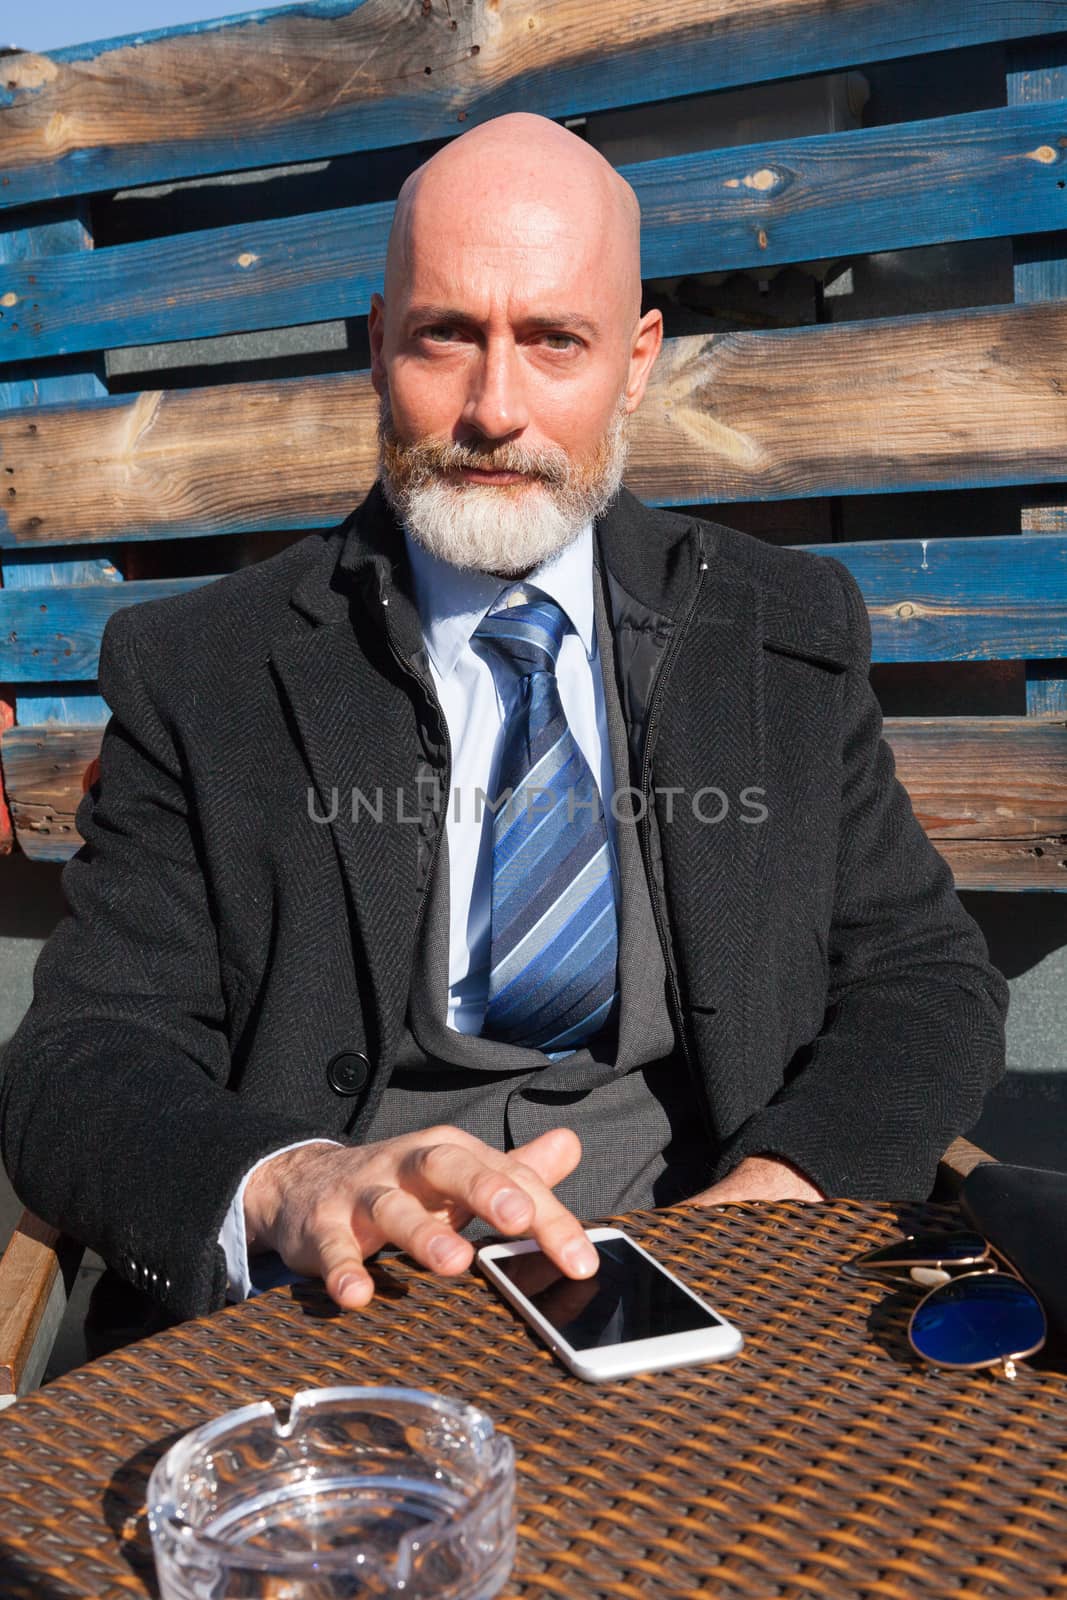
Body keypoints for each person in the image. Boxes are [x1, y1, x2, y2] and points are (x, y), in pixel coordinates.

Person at [0, 113, 1007, 1334]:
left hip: (708, 1291)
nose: (493, 407)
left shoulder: (779, 629)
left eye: (553, 341)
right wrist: (297, 1182)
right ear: (377, 346)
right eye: (445, 336)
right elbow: (80, 1060)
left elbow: (922, 974)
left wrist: (783, 1194)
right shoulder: (200, 670)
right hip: (338, 1315)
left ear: (635, 361)